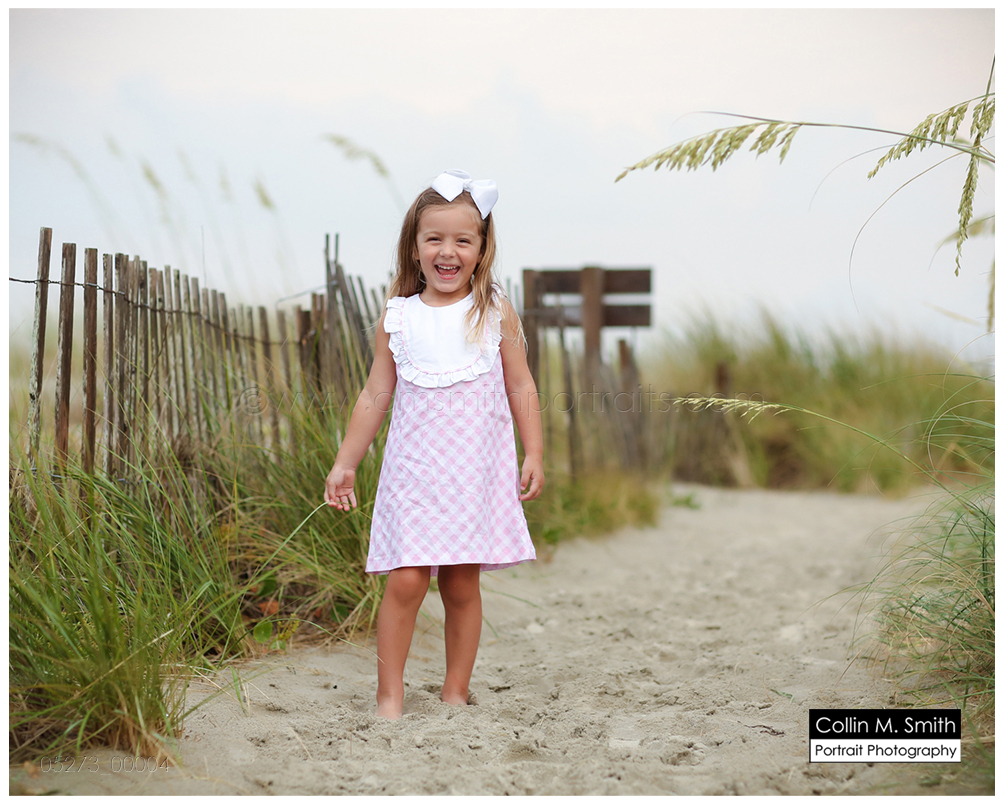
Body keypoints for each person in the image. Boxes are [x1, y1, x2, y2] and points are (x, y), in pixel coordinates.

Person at [324, 169, 545, 719]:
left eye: (462, 240)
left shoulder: (493, 310)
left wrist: (534, 450)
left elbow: (521, 383)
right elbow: (376, 392)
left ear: (482, 248)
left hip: (474, 474)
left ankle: (454, 690)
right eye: (435, 239)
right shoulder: (399, 316)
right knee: (405, 581)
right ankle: (390, 694)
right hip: (414, 474)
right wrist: (346, 462)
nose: (448, 251)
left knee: (462, 584)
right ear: (415, 247)